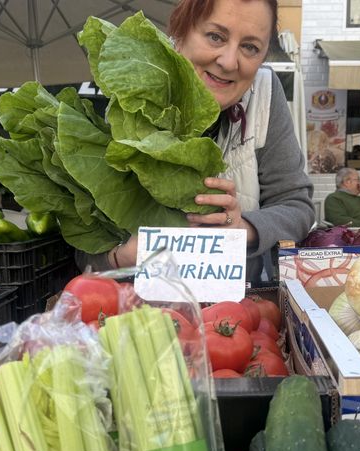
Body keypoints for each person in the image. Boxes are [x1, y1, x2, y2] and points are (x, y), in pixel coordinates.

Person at [81, 0, 315, 282]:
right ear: (180, 33)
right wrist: (120, 257)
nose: (229, 61)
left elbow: (297, 208)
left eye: (250, 47)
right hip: (131, 303)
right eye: (215, 36)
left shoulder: (264, 94)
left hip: (237, 306)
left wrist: (244, 228)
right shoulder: (133, 90)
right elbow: (81, 246)